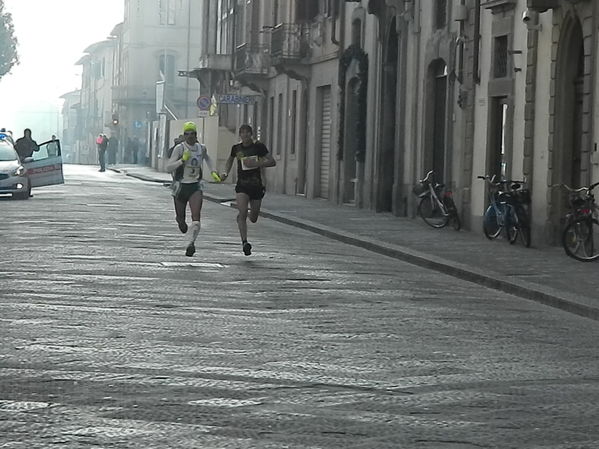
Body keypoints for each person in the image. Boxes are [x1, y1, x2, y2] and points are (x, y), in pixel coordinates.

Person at [166, 121, 220, 257]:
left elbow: (208, 159)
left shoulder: (201, 148)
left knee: (196, 217)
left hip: (195, 185)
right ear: (184, 135)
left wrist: (213, 171)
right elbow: (168, 167)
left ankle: (191, 244)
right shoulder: (180, 148)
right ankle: (180, 221)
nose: (190, 136)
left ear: (196, 135)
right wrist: (182, 161)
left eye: (192, 134)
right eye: (187, 134)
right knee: (181, 220)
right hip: (180, 186)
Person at [221, 124, 276, 256]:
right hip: (242, 185)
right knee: (243, 211)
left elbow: (272, 161)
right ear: (240, 135)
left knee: (254, 218)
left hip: (257, 186)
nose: (245, 135)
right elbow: (229, 161)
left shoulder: (259, 147)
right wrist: (225, 173)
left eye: (247, 133)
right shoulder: (236, 148)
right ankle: (245, 242)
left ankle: (245, 216)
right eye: (242, 133)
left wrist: (257, 164)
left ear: (251, 134)